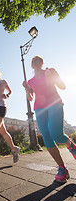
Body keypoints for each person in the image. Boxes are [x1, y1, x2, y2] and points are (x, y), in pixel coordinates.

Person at [23, 55, 76, 183]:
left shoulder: (50, 71)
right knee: (47, 138)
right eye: (33, 61)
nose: (35, 62)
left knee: (56, 135)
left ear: (42, 62)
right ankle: (62, 169)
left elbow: (62, 86)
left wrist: (53, 77)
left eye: (38, 60)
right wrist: (26, 88)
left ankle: (72, 147)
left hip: (54, 103)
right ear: (32, 65)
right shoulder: (30, 81)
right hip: (39, 108)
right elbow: (30, 98)